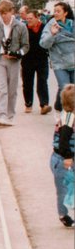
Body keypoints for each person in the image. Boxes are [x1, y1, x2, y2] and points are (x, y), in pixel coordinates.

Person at [0, 0, 29, 127]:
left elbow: (26, 46)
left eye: (5, 13)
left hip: (14, 61)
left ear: (12, 11)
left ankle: (10, 116)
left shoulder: (21, 26)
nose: (3, 16)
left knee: (12, 90)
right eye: (1, 13)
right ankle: (1, 115)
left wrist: (17, 54)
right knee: (1, 88)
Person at [40, 1, 75, 118]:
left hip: (73, 62)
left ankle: (70, 114)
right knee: (65, 87)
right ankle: (61, 112)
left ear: (65, 13)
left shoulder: (73, 24)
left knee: (73, 91)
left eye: (58, 11)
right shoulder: (50, 25)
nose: (55, 13)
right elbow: (43, 44)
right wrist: (52, 34)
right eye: (54, 11)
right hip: (59, 63)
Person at [50, 84, 74, 227]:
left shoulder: (70, 116)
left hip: (67, 158)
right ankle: (63, 215)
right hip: (62, 159)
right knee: (63, 190)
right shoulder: (68, 120)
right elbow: (64, 141)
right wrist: (68, 158)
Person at [20, 9, 51, 114]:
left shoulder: (44, 28)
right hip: (27, 59)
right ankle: (28, 104)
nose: (28, 20)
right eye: (27, 18)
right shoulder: (24, 29)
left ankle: (44, 105)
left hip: (42, 59)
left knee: (42, 82)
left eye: (31, 18)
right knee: (27, 83)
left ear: (37, 17)